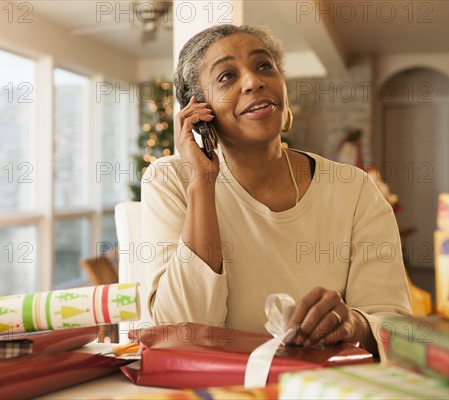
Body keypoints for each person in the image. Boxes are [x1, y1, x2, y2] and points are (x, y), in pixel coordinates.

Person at [141, 24, 411, 356]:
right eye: (226, 76)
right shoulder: (171, 181)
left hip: (316, 385)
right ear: (198, 111)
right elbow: (180, 333)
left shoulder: (354, 190)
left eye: (264, 66)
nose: (254, 81)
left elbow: (396, 329)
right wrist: (202, 184)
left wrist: (352, 324)